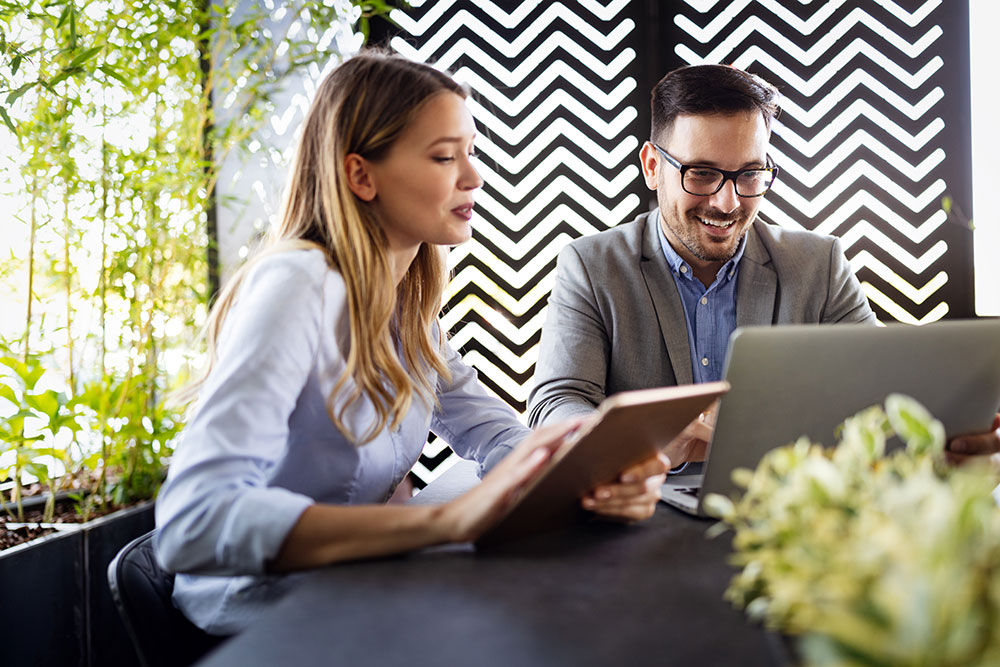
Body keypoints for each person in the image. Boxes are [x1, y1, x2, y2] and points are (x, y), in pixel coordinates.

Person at [154, 52, 668, 637]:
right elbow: (194, 521)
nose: (473, 177)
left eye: (471, 153)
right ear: (360, 175)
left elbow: (496, 434)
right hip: (266, 614)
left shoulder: (405, 305)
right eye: (445, 156)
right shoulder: (299, 284)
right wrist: (447, 521)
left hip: (357, 585)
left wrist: (584, 478)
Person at [527, 63, 1000, 466]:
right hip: (643, 514)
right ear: (653, 166)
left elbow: (876, 396)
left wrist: (942, 437)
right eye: (703, 173)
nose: (727, 202)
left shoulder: (820, 264)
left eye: (750, 173)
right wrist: (635, 443)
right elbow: (555, 404)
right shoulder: (591, 265)